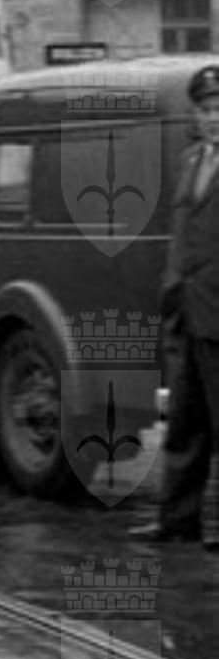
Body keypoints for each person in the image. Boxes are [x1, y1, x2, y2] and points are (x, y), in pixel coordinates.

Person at [135, 63, 219, 545]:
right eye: (205, 109)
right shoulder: (191, 161)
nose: (212, 117)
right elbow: (183, 233)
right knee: (185, 422)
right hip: (186, 312)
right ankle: (178, 520)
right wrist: (171, 288)